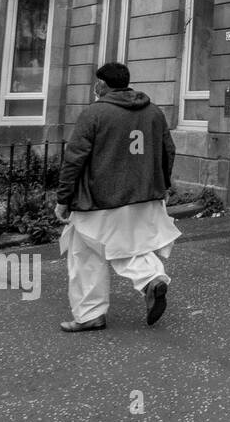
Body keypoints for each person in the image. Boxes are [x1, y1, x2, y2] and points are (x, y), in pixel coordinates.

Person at [55, 62, 181, 332]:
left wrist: (63, 198)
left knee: (86, 253)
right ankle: (152, 279)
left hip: (101, 198)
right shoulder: (154, 112)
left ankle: (90, 314)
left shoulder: (95, 113)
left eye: (96, 82)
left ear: (102, 84)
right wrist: (163, 186)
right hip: (144, 195)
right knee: (128, 246)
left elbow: (74, 158)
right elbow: (168, 150)